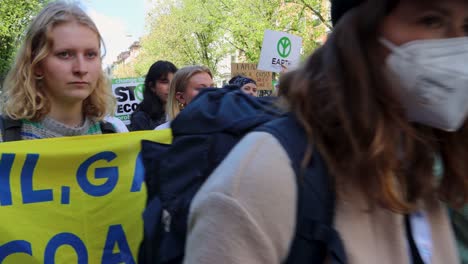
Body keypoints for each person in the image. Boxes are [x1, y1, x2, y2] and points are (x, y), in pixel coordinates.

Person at [183, 0, 467, 263]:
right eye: (431, 20)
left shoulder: (420, 159)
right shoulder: (260, 178)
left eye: (467, 26)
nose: (458, 44)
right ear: (361, 33)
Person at [0, 1, 126, 141]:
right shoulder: (4, 136)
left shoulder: (115, 135)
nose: (81, 69)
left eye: (90, 54)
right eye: (64, 54)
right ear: (36, 64)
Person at [155, 65, 213, 129]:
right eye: (201, 88)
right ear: (181, 97)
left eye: (212, 87)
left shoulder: (223, 126)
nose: (211, 92)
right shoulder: (162, 131)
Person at [130, 60, 177, 131]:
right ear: (152, 86)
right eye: (164, 82)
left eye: (174, 82)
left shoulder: (184, 110)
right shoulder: (141, 118)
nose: (171, 87)